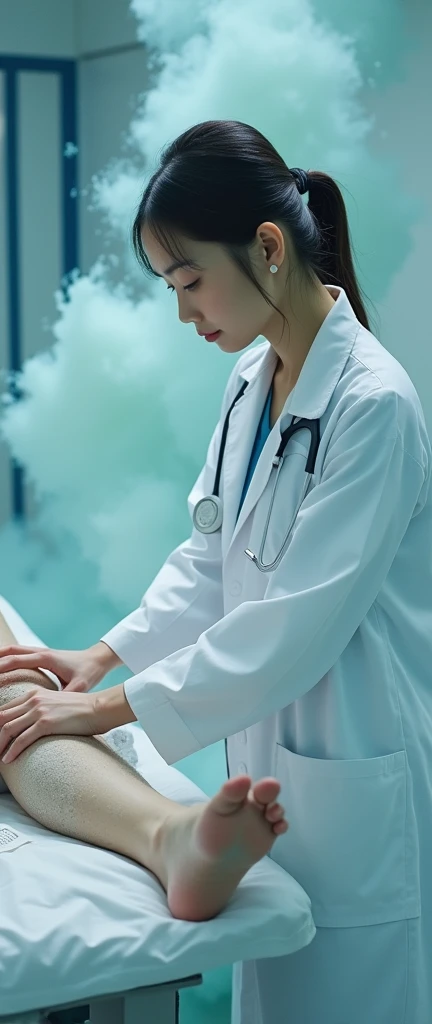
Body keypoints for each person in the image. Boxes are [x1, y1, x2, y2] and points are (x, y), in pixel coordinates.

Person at [0, 118, 431, 1023]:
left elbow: (292, 629)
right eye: (170, 286)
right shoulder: (252, 379)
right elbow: (208, 557)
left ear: (268, 249)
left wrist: (101, 708)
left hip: (354, 761)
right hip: (274, 765)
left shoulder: (375, 405)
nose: (185, 311)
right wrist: (103, 655)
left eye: (190, 280)